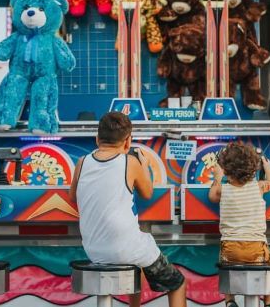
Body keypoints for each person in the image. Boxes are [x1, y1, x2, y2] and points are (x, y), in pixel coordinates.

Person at [69, 112, 186, 307]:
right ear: (127, 142)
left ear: (97, 139)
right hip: (125, 248)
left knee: (136, 264)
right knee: (177, 283)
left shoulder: (82, 162)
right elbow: (147, 192)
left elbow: (73, 196)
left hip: (94, 250)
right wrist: (145, 165)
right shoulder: (129, 162)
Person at [208, 142, 270, 307]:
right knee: (269, 271)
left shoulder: (223, 190)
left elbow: (212, 196)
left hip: (231, 248)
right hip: (256, 248)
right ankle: (268, 302)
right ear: (253, 169)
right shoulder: (259, 187)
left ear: (225, 169)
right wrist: (267, 168)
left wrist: (217, 177)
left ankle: (230, 300)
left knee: (227, 270)